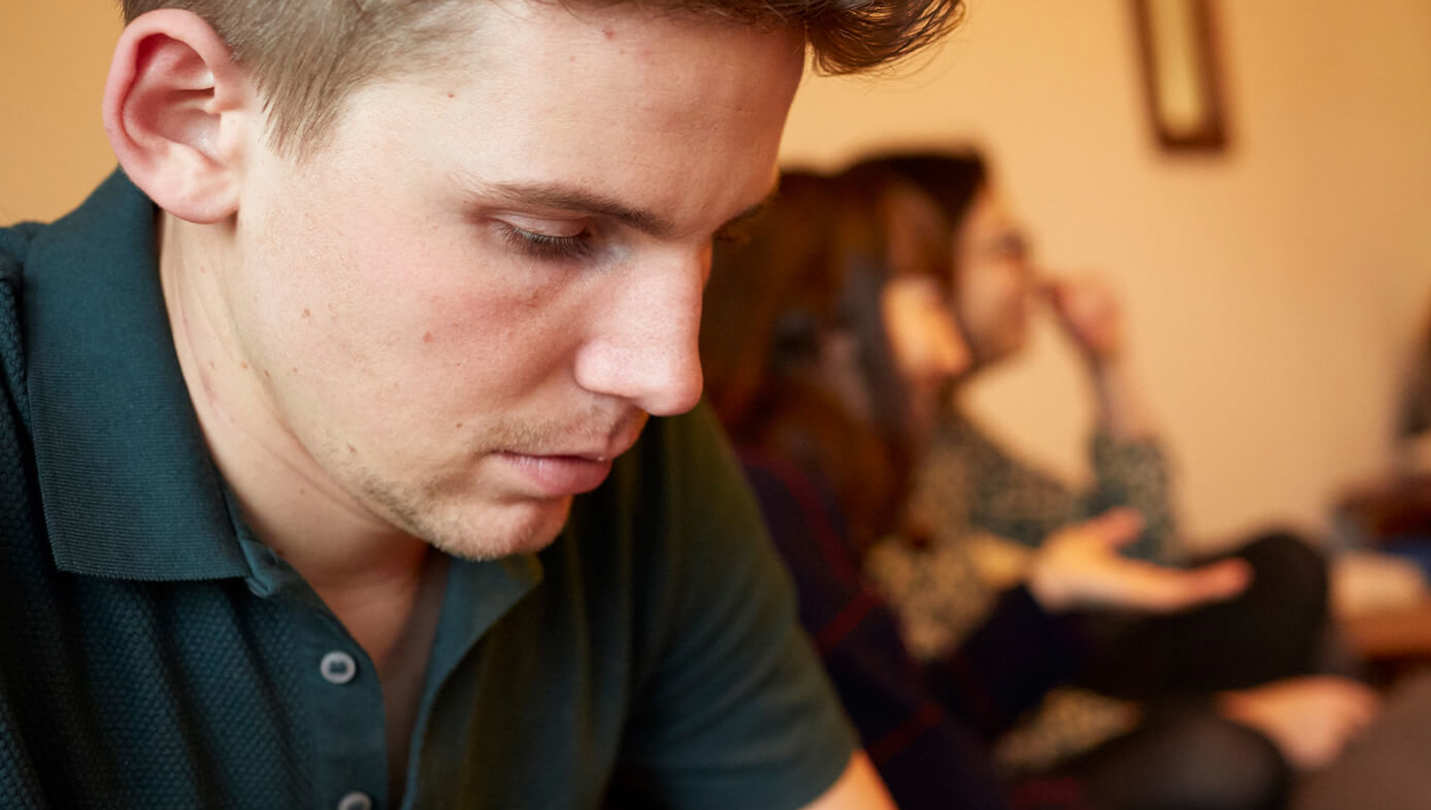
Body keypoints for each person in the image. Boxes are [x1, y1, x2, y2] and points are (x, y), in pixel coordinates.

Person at [0, 1, 962, 808]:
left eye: (723, 241)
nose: (670, 379)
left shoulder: (634, 458)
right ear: (188, 119)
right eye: (553, 234)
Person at [704, 167, 1431, 810]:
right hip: (1044, 733)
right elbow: (944, 749)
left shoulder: (924, 445)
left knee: (1287, 572)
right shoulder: (793, 490)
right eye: (1001, 251)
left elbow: (1138, 543)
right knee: (1237, 749)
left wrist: (1108, 374)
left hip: (1039, 697)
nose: (1034, 272)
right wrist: (1232, 714)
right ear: (835, 321)